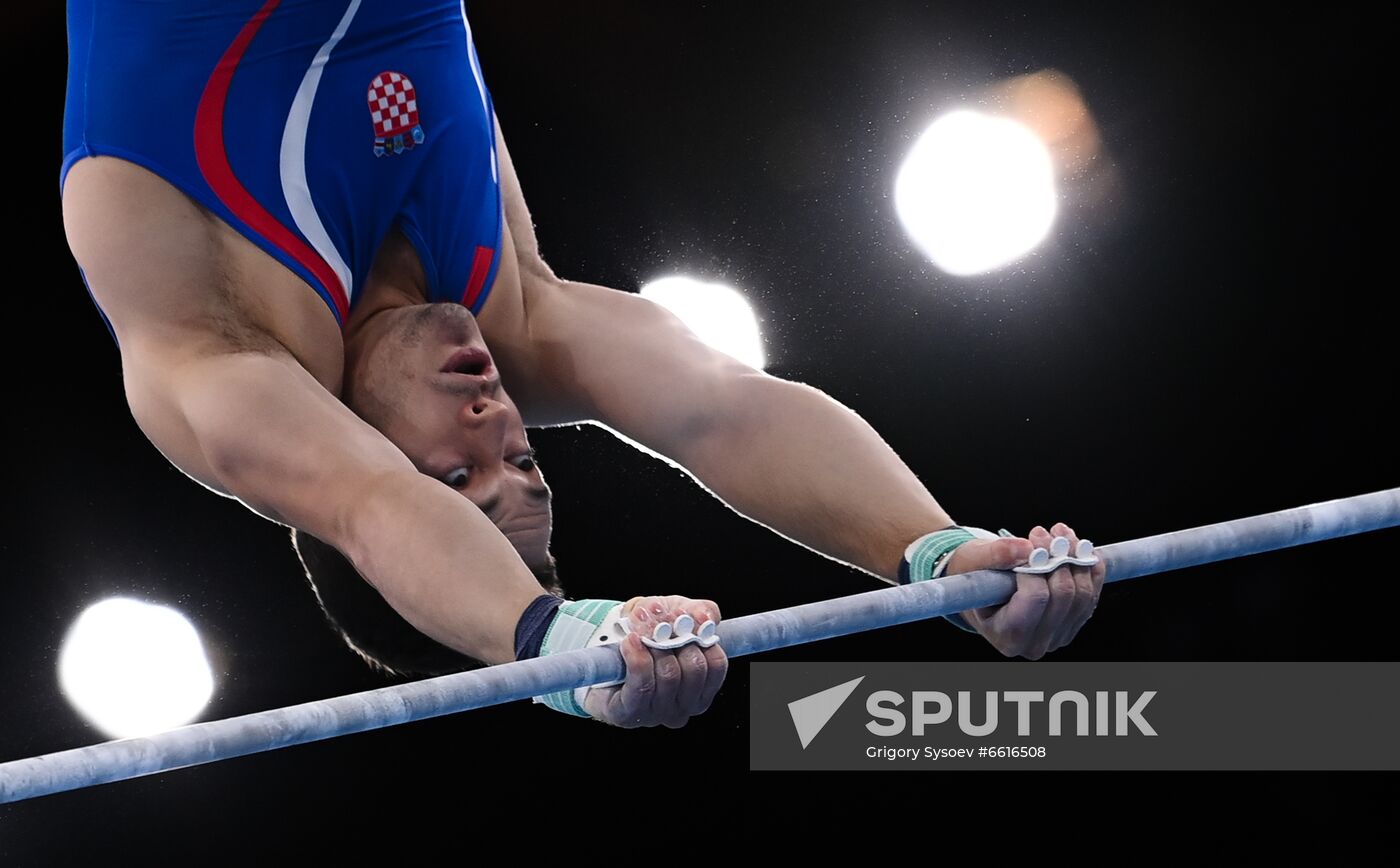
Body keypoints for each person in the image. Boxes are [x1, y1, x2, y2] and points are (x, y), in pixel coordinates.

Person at [60, 0, 1105, 729]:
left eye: (463, 480)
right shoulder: (509, 308)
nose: (504, 432)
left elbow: (371, 504)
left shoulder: (213, 346)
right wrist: (935, 553)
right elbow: (720, 408)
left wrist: (550, 647)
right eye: (529, 468)